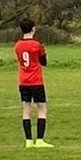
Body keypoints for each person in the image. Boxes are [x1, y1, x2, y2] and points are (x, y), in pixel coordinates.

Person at [14, 18, 52, 148]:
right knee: (41, 109)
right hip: (36, 81)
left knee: (26, 109)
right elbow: (44, 62)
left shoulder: (17, 45)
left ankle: (28, 141)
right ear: (33, 29)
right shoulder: (37, 45)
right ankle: (40, 140)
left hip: (23, 81)